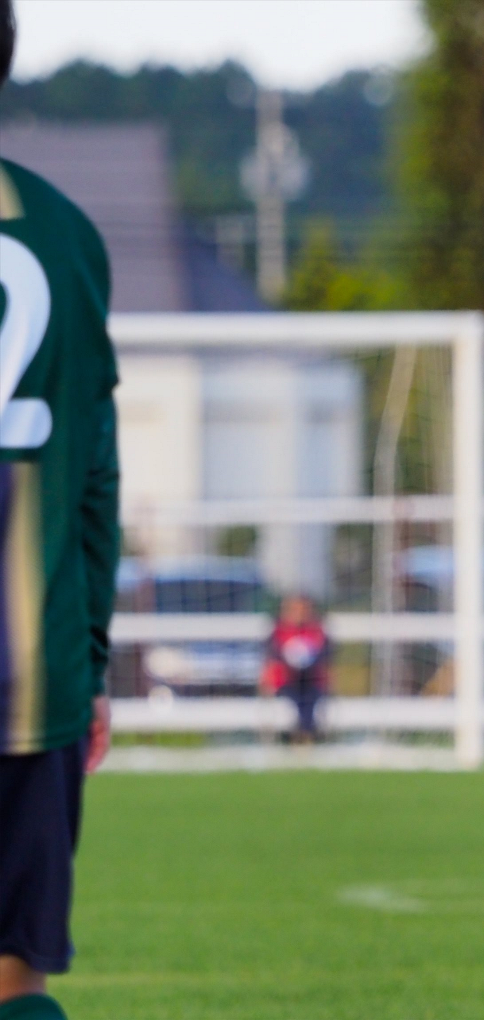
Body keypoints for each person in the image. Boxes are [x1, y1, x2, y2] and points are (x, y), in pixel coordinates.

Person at [0, 3, 121, 1017]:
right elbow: (94, 478)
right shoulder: (67, 234)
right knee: (15, 971)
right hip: (37, 665)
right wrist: (91, 658)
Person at [260, 595, 331, 743]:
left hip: (311, 681)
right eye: (295, 609)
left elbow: (326, 658)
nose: (299, 613)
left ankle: (307, 739)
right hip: (286, 681)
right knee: (292, 702)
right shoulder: (278, 631)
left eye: (303, 609)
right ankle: (292, 739)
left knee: (310, 701)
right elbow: (271, 660)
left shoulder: (317, 630)